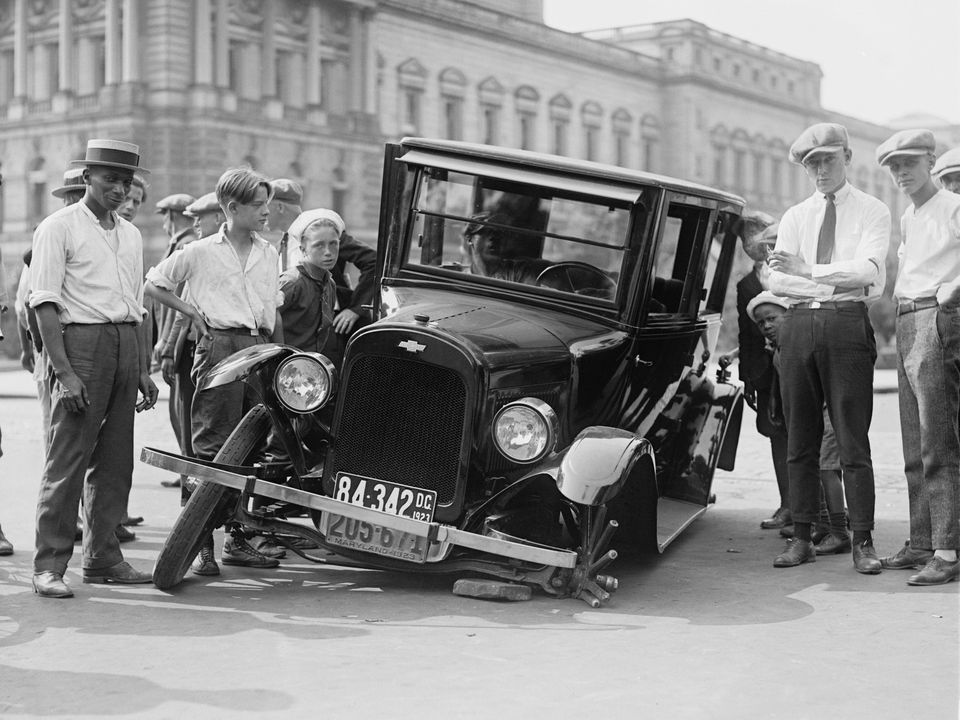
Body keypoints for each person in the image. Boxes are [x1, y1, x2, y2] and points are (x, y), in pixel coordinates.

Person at [28, 139, 159, 598]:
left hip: (124, 344)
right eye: (110, 179)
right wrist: (63, 371)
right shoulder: (58, 227)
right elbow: (43, 302)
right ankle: (48, 565)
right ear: (86, 178)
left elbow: (136, 306)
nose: (119, 190)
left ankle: (103, 556)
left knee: (116, 460)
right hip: (80, 343)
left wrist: (142, 367)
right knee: (68, 458)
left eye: (126, 181)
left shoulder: (130, 233)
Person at [145, 167, 284, 575]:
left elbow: (270, 307)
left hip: (259, 348)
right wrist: (192, 314)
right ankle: (200, 544)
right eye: (258, 205)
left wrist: (275, 352)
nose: (266, 212)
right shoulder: (200, 251)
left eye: (267, 204)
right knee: (210, 450)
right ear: (232, 208)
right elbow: (154, 283)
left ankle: (236, 540)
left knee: (252, 448)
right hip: (219, 347)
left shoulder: (269, 252)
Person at [767, 122, 890, 574]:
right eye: (811, 163)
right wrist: (818, 273)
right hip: (798, 325)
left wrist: (809, 269)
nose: (820, 170)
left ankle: (863, 540)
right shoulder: (796, 215)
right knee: (800, 438)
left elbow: (867, 272)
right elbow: (777, 278)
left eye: (828, 160)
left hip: (846, 324)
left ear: (847, 158)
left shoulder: (873, 210)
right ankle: (802, 537)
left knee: (852, 439)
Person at [874, 129, 960, 585]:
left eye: (909, 163)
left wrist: (954, 288)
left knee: (937, 439)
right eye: (893, 166)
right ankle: (923, 541)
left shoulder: (952, 205)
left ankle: (947, 551)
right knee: (912, 441)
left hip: (935, 316)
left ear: (930, 161)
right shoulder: (910, 216)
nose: (901, 173)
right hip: (908, 318)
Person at [746, 290, 850, 562]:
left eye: (772, 318)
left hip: (828, 414)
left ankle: (840, 532)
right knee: (813, 467)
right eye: (761, 323)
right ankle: (823, 524)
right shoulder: (780, 348)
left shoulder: (802, 342)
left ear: (789, 316)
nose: (767, 326)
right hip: (811, 416)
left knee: (828, 469)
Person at [719, 211, 791, 530]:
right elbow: (746, 333)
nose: (752, 245)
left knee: (810, 435)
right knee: (776, 435)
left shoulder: (793, 273)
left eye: (758, 236)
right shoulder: (745, 284)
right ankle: (788, 505)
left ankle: (821, 510)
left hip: (795, 365)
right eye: (746, 240)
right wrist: (747, 377)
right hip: (764, 373)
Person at [278, 208, 345, 366]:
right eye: (319, 246)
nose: (328, 252)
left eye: (333, 244)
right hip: (284, 367)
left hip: (311, 367)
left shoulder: (330, 284)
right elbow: (266, 324)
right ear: (303, 249)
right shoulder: (292, 282)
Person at [267, 178, 303, 271]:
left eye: (265, 205)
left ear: (280, 207)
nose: (262, 211)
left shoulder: (309, 239)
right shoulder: (284, 240)